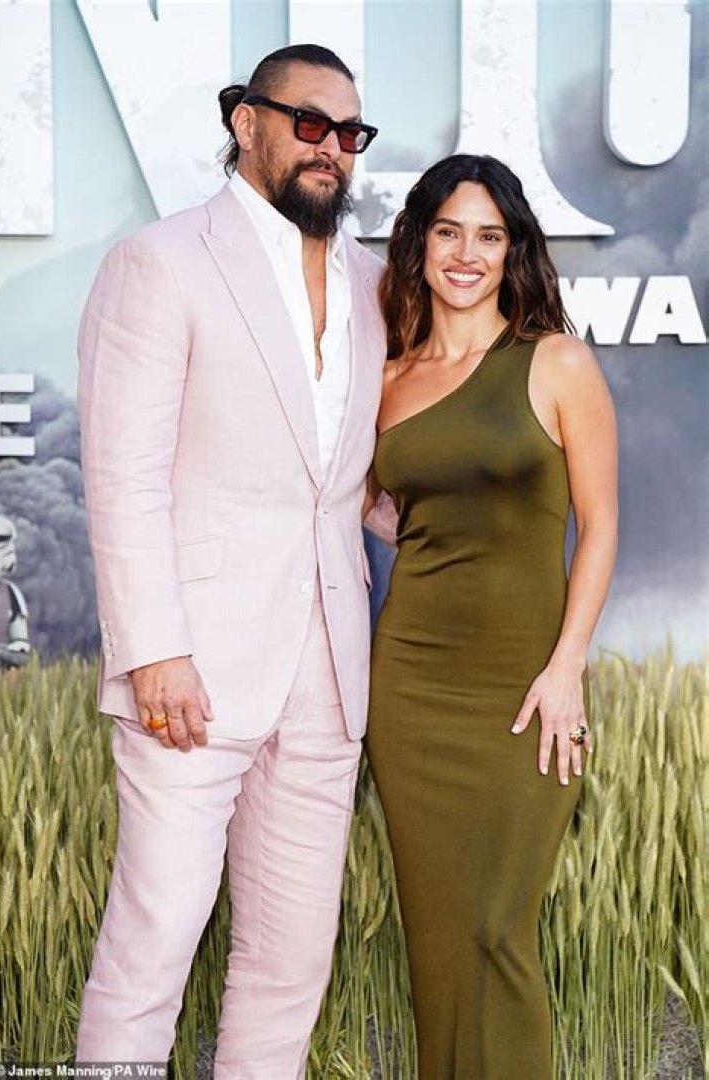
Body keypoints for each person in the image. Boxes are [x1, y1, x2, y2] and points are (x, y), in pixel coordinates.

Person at [76, 44, 385, 1076]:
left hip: (330, 671)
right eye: (309, 123)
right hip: (193, 672)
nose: (331, 147)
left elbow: (357, 481)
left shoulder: (375, 281)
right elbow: (125, 476)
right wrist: (153, 651)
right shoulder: (160, 261)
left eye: (350, 133)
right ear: (245, 122)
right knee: (151, 949)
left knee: (291, 963)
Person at [365, 154, 618, 1078]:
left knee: (495, 928)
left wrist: (566, 666)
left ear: (513, 250)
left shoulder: (554, 361)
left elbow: (600, 524)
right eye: (448, 232)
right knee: (436, 938)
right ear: (420, 242)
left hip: (525, 690)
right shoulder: (387, 378)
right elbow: (371, 504)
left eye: (489, 235)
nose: (466, 254)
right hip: (411, 689)